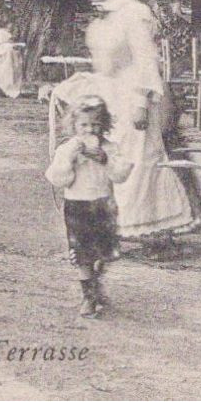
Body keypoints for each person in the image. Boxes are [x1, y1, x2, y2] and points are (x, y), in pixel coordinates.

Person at [58, 0, 201, 246]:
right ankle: (113, 228)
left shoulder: (133, 13)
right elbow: (103, 66)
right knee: (108, 158)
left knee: (137, 162)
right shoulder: (100, 19)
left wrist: (140, 102)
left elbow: (146, 61)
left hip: (134, 98)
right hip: (108, 100)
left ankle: (152, 231)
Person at [45, 95, 132, 318]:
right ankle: (89, 297)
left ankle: (95, 281)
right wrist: (69, 162)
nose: (90, 130)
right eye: (83, 125)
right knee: (83, 254)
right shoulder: (68, 148)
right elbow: (56, 178)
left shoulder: (110, 148)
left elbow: (121, 174)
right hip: (77, 207)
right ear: (73, 125)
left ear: (104, 125)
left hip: (104, 205)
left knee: (104, 252)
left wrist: (105, 160)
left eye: (95, 124)